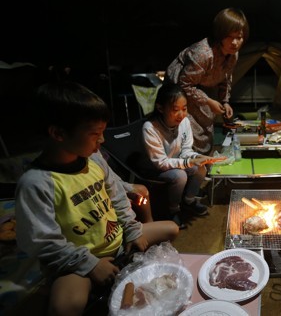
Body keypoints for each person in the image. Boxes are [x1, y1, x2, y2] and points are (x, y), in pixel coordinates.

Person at [15, 81, 179, 316]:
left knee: (172, 228)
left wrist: (131, 229)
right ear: (58, 133)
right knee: (65, 307)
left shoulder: (95, 160)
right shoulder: (36, 183)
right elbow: (42, 242)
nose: (102, 140)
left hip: (117, 241)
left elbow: (118, 196)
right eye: (95, 134)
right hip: (78, 259)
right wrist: (91, 264)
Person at [166, 7, 249, 154]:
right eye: (230, 37)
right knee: (190, 128)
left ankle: (202, 164)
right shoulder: (203, 54)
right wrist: (209, 101)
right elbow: (184, 84)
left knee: (207, 122)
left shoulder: (233, 55)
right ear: (220, 34)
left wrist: (225, 101)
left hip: (201, 87)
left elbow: (226, 78)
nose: (235, 42)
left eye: (239, 37)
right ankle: (189, 166)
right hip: (179, 88)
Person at [142, 82, 226, 229]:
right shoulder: (150, 128)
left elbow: (186, 149)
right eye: (175, 110)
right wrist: (188, 162)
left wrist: (197, 157)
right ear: (160, 108)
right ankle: (173, 209)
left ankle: (189, 200)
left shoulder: (185, 122)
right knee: (180, 175)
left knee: (200, 167)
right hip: (156, 169)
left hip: (177, 163)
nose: (181, 114)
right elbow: (160, 162)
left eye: (184, 108)